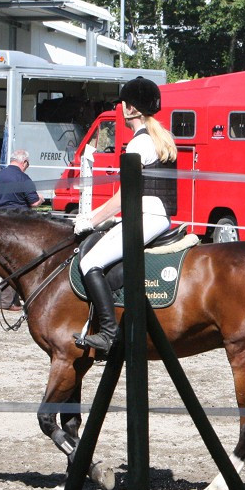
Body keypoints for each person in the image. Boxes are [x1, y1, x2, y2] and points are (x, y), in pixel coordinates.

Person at [72, 76, 178, 354]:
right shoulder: (160, 138)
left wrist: (90, 220)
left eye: (122, 104)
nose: (120, 108)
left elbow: (124, 196)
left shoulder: (138, 144)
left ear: (130, 109)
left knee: (90, 262)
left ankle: (108, 333)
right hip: (159, 216)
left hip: (144, 216)